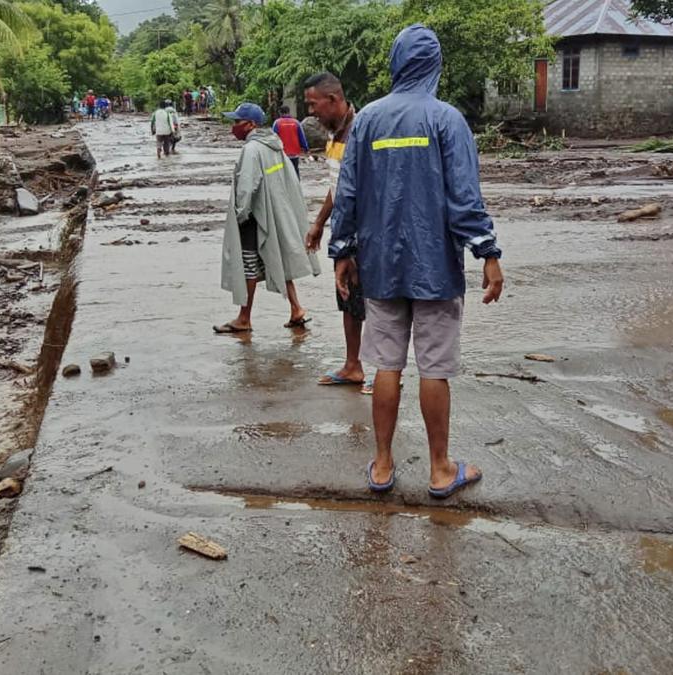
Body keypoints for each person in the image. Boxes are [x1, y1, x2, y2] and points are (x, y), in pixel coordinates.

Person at [328, 25, 504, 499]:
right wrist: (488, 253)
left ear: (396, 63)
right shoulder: (447, 120)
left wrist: (342, 251)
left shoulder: (367, 121)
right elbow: (464, 199)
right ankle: (440, 470)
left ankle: (382, 465)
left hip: (381, 266)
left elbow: (347, 193)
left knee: (386, 365)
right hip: (436, 268)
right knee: (434, 369)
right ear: (434, 65)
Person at [215, 102, 320, 334]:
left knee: (249, 266)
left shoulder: (252, 150)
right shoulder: (274, 146)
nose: (234, 127)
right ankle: (296, 309)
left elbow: (247, 186)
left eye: (237, 122)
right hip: (274, 211)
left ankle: (244, 318)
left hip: (256, 217)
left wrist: (241, 215)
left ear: (250, 124)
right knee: (278, 259)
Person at [302, 73, 369, 392]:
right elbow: (337, 186)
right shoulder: (333, 135)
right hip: (343, 231)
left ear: (333, 100)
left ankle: (387, 371)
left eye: (313, 104)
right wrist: (319, 223)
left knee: (378, 302)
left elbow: (363, 189)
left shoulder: (361, 132)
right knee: (349, 299)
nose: (311, 112)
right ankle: (353, 364)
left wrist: (353, 242)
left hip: (363, 233)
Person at [271, 106, 309, 175]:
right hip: (294, 153)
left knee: (283, 173)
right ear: (289, 112)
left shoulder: (277, 123)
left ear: (280, 113)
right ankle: (296, 185)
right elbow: (302, 137)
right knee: (295, 171)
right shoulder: (296, 122)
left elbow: (273, 138)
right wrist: (306, 148)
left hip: (282, 153)